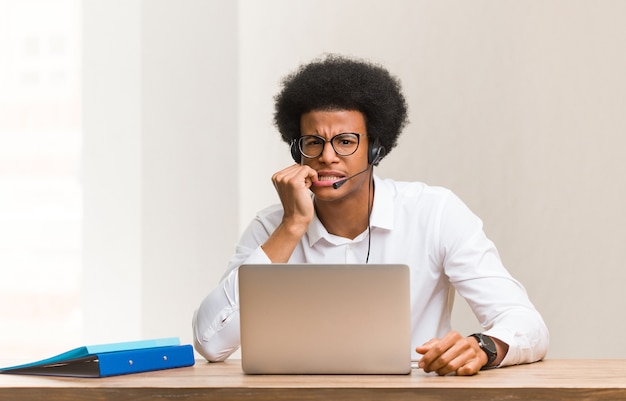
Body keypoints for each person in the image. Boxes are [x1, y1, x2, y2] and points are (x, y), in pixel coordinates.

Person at [192, 54, 549, 376]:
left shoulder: (435, 212)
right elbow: (211, 341)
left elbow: (526, 323)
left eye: (345, 141)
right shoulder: (272, 227)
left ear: (375, 149)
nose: (327, 156)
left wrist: (483, 347)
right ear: (297, 149)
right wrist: (292, 226)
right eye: (313, 142)